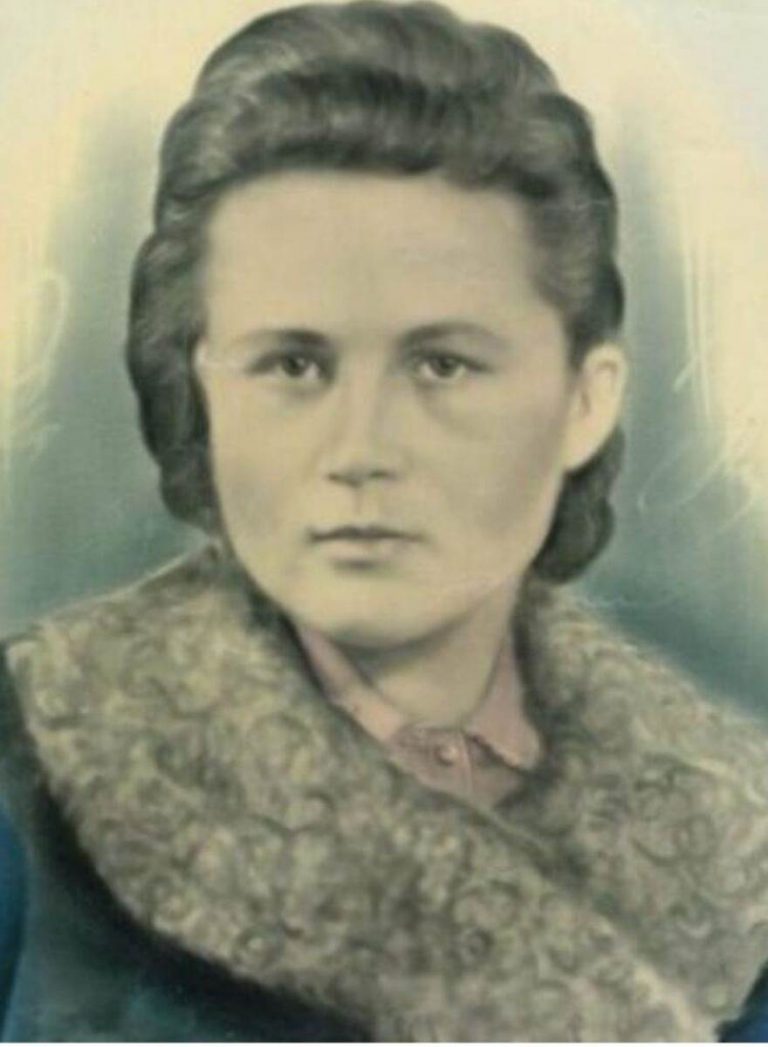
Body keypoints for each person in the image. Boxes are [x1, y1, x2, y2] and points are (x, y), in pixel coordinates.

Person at [1, 1, 768, 1040]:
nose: (360, 448)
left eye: (441, 365)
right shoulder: (31, 774)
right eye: (293, 364)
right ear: (204, 388)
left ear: (586, 401)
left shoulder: (736, 832)